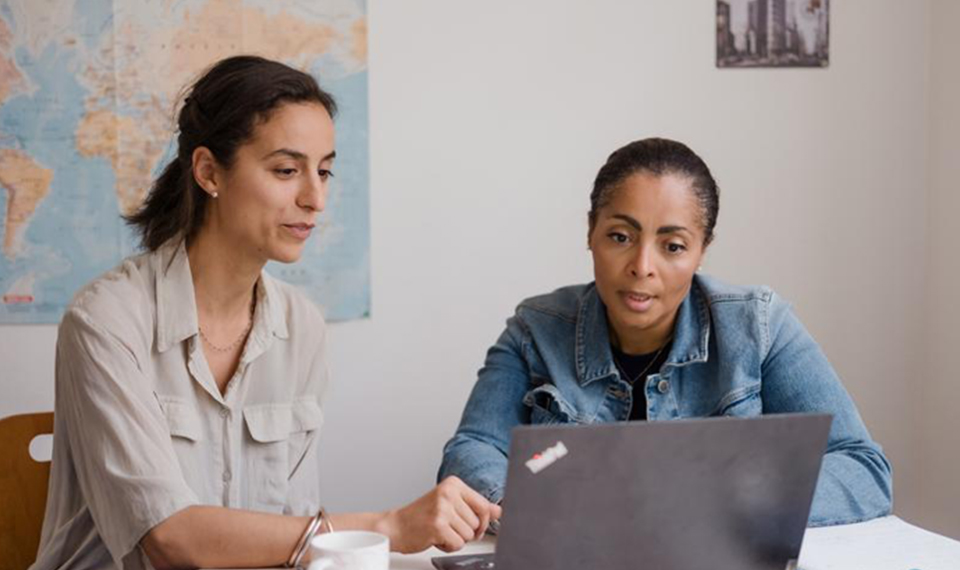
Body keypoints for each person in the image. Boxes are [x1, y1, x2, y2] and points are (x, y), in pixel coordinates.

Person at [32, 55, 499, 570]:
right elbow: (169, 538)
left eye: (324, 171)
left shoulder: (302, 327)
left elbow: (291, 539)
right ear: (209, 171)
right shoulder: (105, 321)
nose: (315, 197)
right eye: (286, 170)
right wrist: (387, 527)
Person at [438, 137, 892, 527]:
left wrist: (720, 502)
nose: (642, 266)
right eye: (620, 236)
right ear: (590, 230)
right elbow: (473, 450)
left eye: (672, 246)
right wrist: (530, 507)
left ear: (700, 252)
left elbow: (863, 469)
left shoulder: (760, 328)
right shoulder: (534, 331)